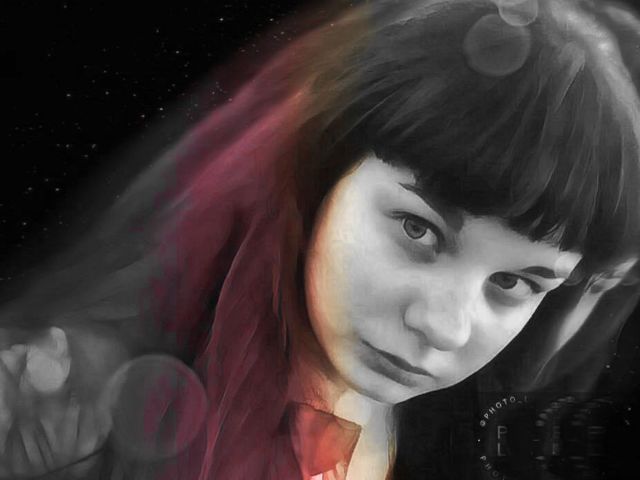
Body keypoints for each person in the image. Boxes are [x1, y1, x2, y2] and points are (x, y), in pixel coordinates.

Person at [1, 0, 640, 478]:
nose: (444, 330)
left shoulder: (469, 429)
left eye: (514, 282)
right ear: (319, 178)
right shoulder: (55, 400)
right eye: (418, 229)